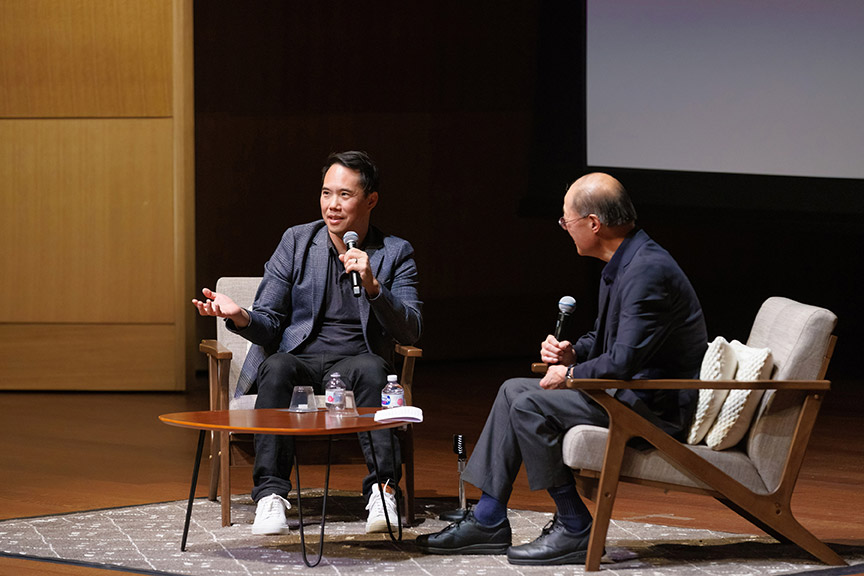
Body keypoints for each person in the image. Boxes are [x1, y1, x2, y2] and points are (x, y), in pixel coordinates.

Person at [416, 172, 706, 565]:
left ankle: (573, 525)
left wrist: (570, 377)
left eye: (566, 221)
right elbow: (608, 340)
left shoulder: (646, 271)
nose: (564, 229)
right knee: (512, 390)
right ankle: (488, 518)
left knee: (530, 403)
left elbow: (623, 361)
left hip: (652, 407)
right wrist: (573, 353)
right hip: (627, 392)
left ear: (593, 223)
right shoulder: (627, 260)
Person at [193, 151, 422, 536]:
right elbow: (269, 322)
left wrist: (374, 286)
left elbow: (411, 329)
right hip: (300, 358)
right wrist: (240, 316)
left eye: (345, 195)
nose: (333, 205)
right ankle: (270, 495)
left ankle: (382, 493)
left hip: (355, 361)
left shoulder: (395, 253)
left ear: (371, 200)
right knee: (277, 365)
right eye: (326, 193)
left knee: (373, 369)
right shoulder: (298, 241)